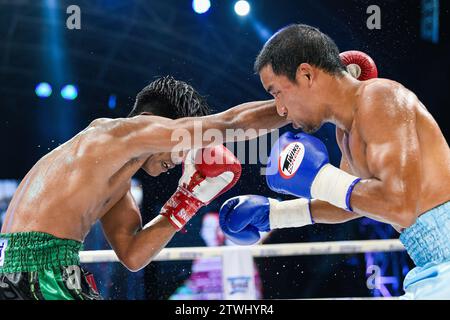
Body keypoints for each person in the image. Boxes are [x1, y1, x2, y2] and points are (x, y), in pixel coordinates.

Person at [0, 76, 288, 300]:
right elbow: (229, 123)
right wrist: (296, 103)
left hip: (24, 270)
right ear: (166, 128)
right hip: (41, 272)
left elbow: (133, 255)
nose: (182, 160)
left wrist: (187, 200)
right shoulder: (117, 133)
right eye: (186, 146)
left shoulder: (115, 179)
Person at [219, 24, 450, 299]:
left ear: (306, 74)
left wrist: (319, 178)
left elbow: (400, 206)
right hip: (431, 267)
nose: (279, 109)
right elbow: (350, 204)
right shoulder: (345, 131)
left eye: (276, 92)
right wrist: (275, 215)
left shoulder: (380, 97)